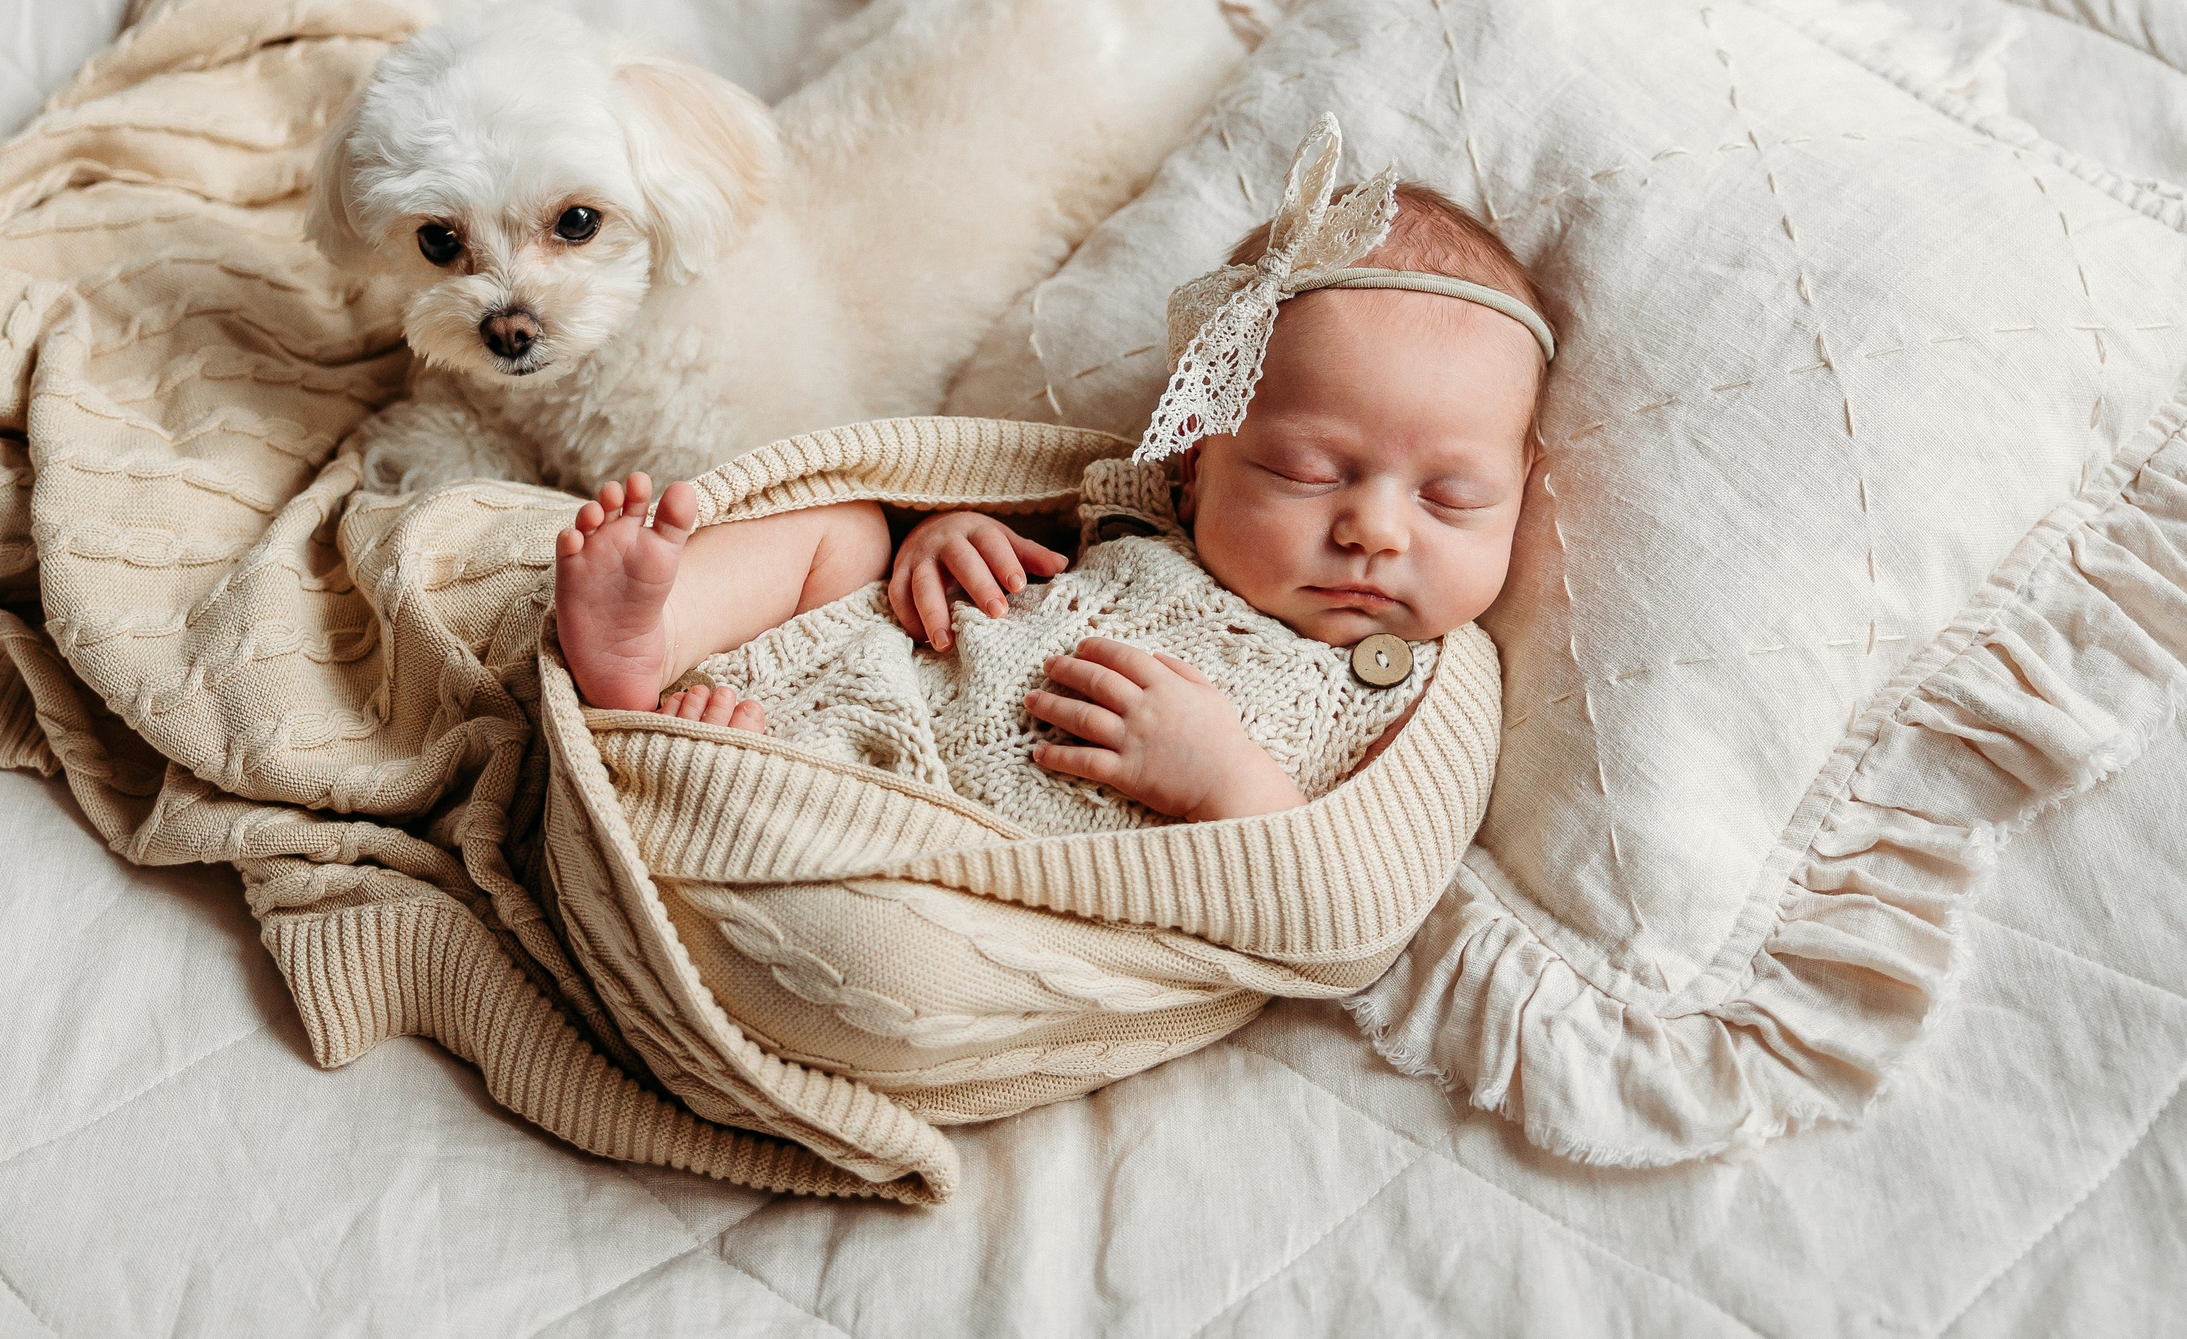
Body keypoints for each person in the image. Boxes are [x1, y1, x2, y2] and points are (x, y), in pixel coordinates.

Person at [553, 115, 1554, 830]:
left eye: (1450, 498)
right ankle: (651, 646)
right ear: (1197, 461)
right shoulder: (1132, 512)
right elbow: (972, 514)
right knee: (850, 527)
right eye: (1301, 471)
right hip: (850, 698)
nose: (1375, 530)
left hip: (953, 859)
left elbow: (1351, 913)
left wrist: (1226, 786)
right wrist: (943, 541)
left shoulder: (1432, 690)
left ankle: (720, 792)